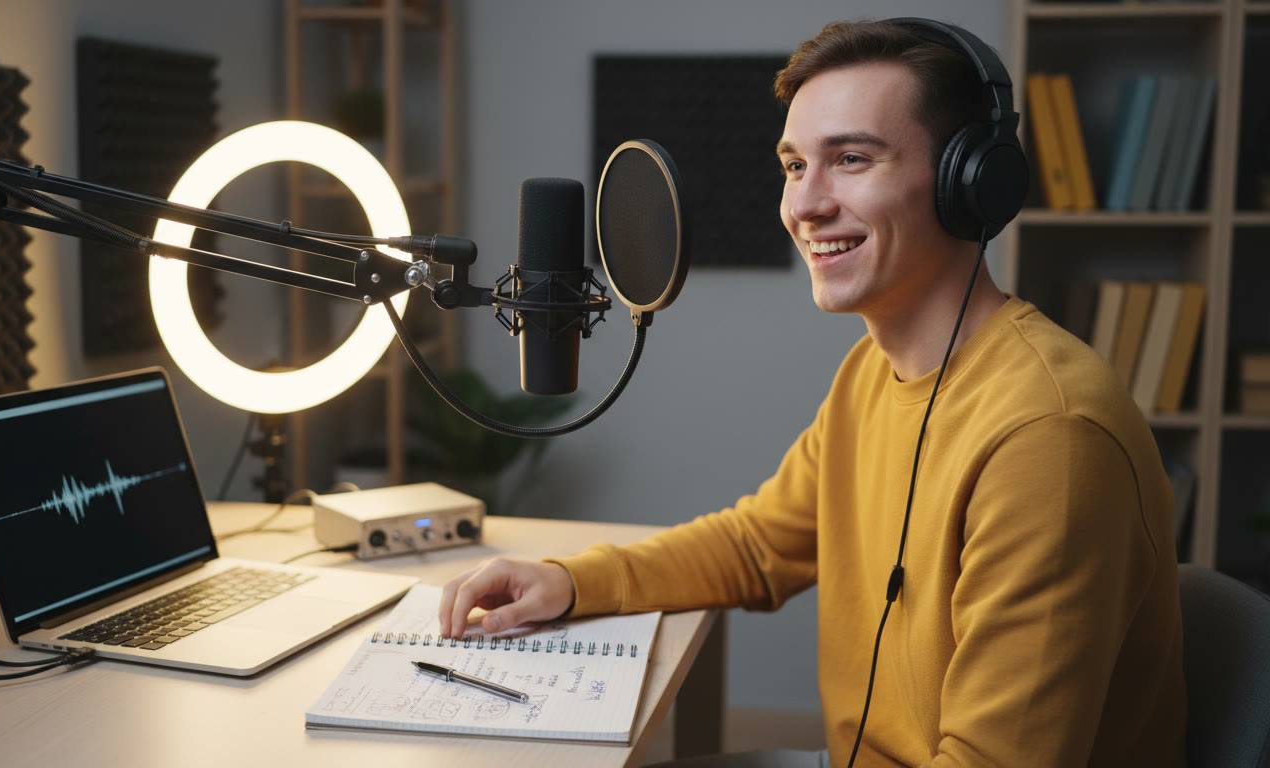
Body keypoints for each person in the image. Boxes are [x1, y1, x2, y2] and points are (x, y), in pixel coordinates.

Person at [438, 18, 1186, 768]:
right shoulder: (869, 373)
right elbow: (759, 545)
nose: (805, 205)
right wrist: (569, 581)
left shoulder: (1048, 435)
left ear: (973, 181)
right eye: (795, 166)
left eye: (852, 159)